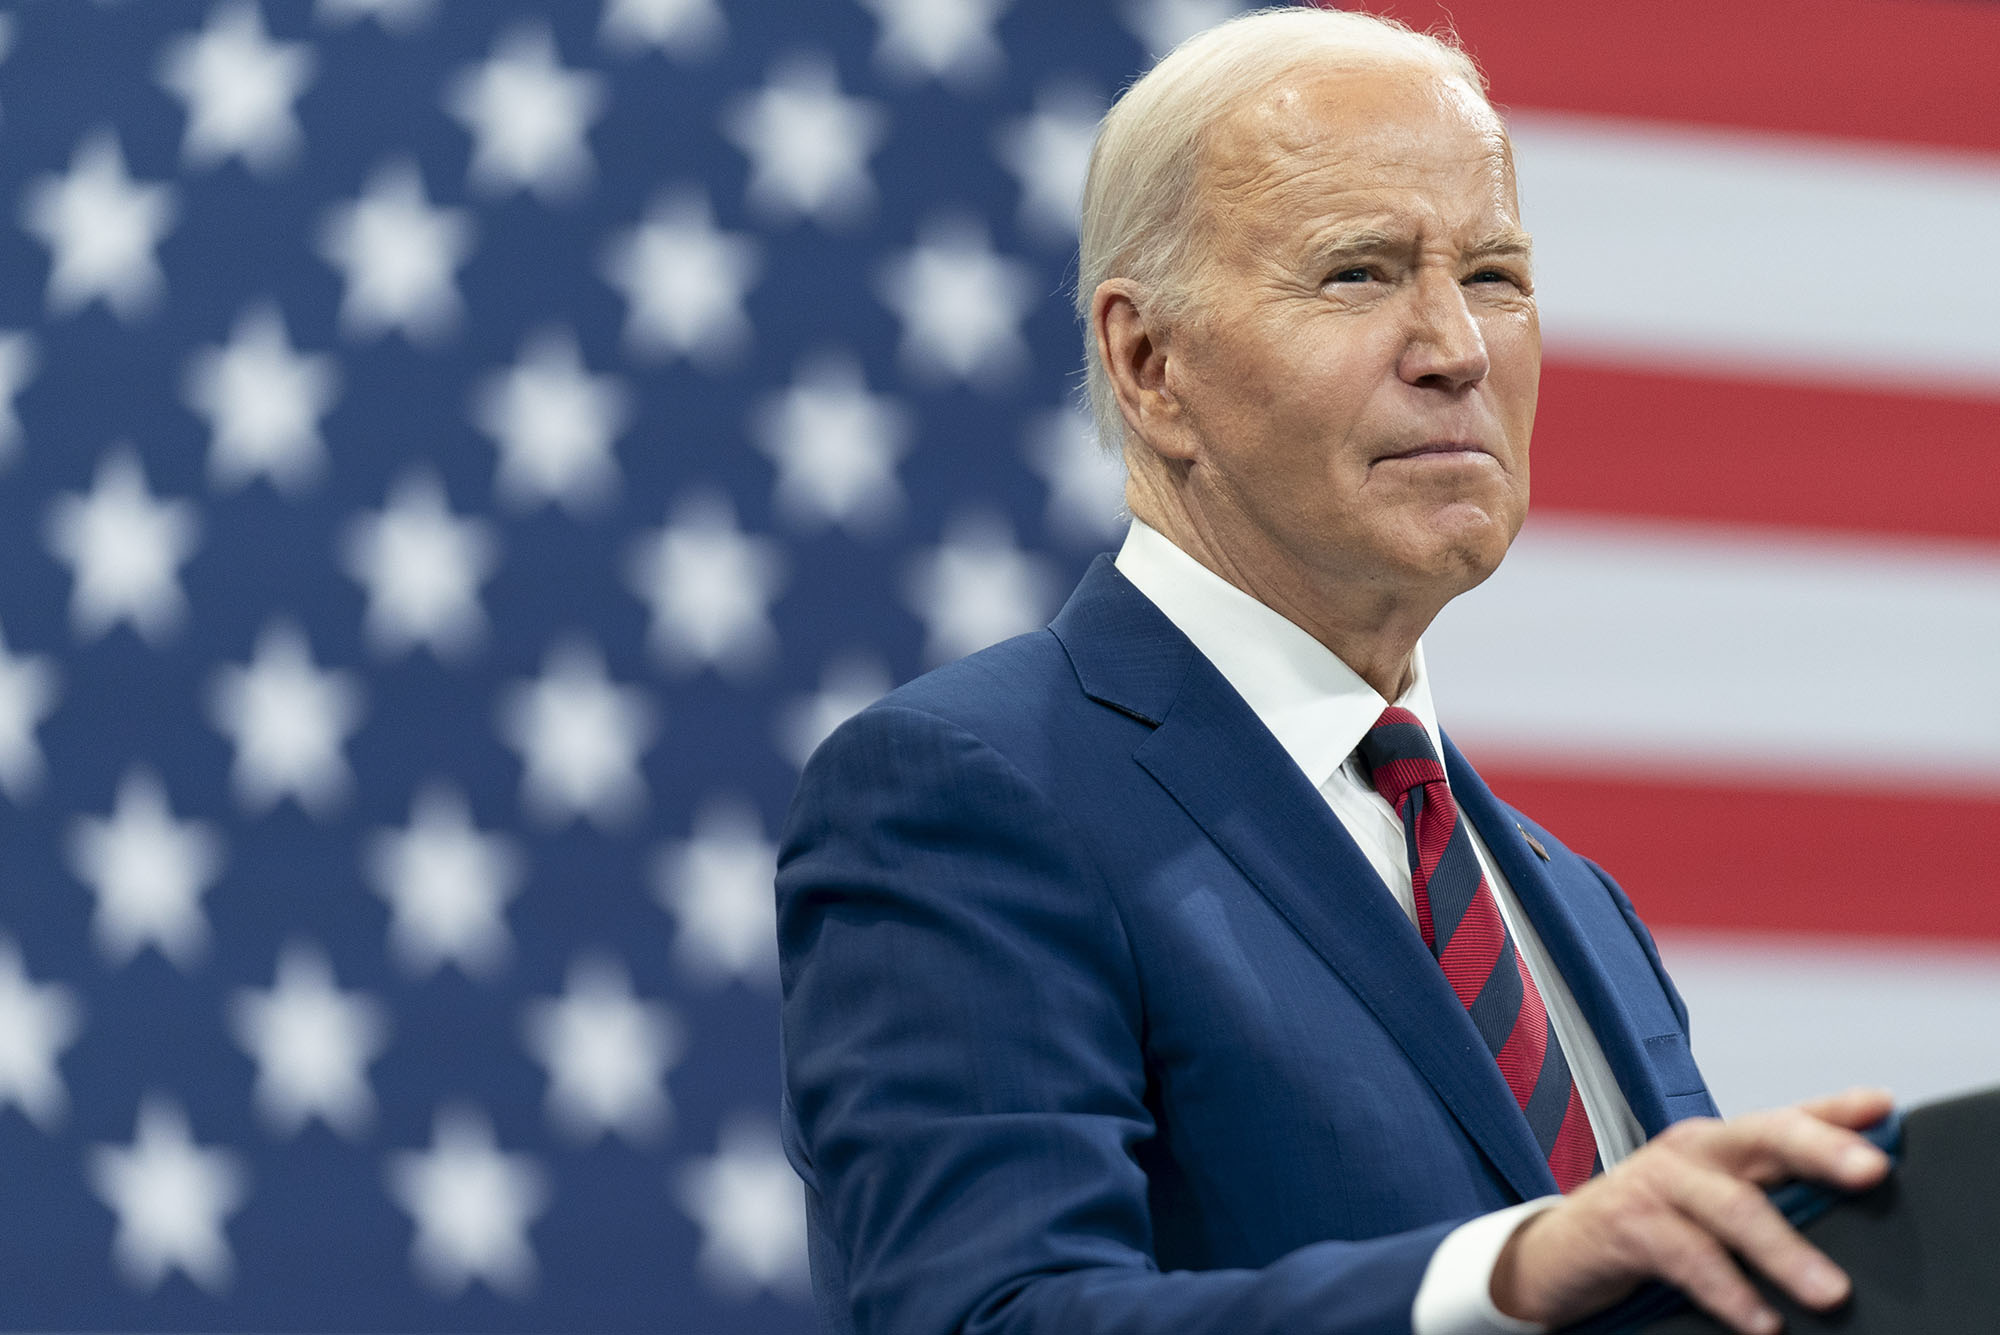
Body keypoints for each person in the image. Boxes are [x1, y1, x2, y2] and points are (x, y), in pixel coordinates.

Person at [776, 9, 1892, 1334]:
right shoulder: (969, 791)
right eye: (1360, 273)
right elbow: (988, 1317)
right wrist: (1504, 1277)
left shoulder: (1570, 902)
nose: (1456, 348)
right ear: (1149, 364)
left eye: (1493, 274)